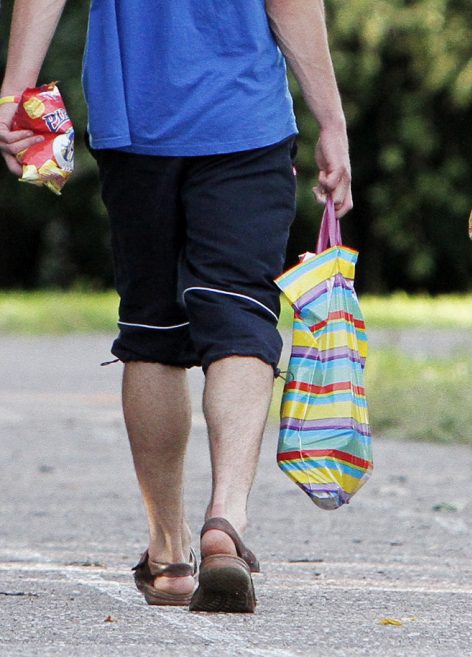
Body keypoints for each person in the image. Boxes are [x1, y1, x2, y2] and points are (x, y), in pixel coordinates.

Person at [0, 0, 351, 613]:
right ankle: (226, 523)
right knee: (242, 314)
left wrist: (15, 91)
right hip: (247, 116)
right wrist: (332, 119)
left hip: (136, 121)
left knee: (152, 331)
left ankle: (167, 554)